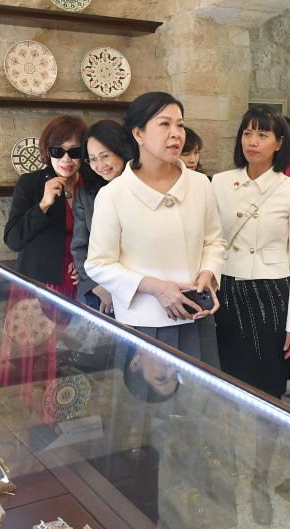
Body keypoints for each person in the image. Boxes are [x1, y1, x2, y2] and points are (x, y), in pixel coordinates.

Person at [211, 105, 290, 524]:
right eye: (247, 133)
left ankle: (258, 480)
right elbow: (209, 241)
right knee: (224, 391)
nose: (253, 141)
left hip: (272, 298)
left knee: (268, 394)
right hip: (226, 295)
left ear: (279, 143)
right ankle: (224, 475)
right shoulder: (219, 183)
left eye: (263, 135)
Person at [85, 92, 225, 367]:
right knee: (146, 394)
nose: (176, 133)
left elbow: (214, 242)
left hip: (197, 318)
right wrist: (155, 288)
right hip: (144, 324)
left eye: (180, 125)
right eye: (164, 124)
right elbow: (99, 264)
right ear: (138, 133)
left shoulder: (200, 184)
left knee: (201, 393)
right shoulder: (114, 194)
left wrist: (208, 274)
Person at [0, 115, 88, 414]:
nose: (66, 159)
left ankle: (68, 419)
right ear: (47, 151)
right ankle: (33, 418)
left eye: (75, 152)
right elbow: (13, 239)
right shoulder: (32, 184)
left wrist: (85, 265)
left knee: (72, 361)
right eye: (58, 151)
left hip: (79, 286)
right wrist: (45, 203)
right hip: (39, 287)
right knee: (34, 363)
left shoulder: (92, 186)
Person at [71, 120, 134, 313]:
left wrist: (122, 289)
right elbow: (80, 247)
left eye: (105, 156)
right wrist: (98, 288)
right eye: (92, 159)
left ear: (122, 150)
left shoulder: (142, 188)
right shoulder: (85, 195)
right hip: (100, 291)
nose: (100, 165)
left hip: (141, 288)